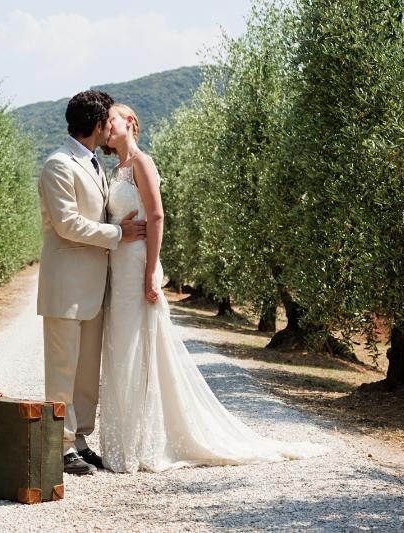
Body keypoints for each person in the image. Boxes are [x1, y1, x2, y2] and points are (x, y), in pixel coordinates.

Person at [98, 103, 328, 473]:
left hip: (138, 265)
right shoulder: (118, 168)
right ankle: (127, 441)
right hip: (119, 266)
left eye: (111, 119)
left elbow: (156, 216)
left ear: (129, 122)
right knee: (122, 348)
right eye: (104, 122)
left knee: (140, 349)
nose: (106, 126)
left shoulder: (142, 162)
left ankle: (143, 444)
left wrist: (150, 273)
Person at [37, 91, 147, 475]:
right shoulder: (57, 165)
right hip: (65, 288)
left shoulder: (96, 163)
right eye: (107, 123)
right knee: (63, 369)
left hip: (97, 289)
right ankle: (59, 444)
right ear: (98, 126)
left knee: (86, 374)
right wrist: (118, 234)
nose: (109, 129)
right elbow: (68, 226)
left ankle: (80, 439)